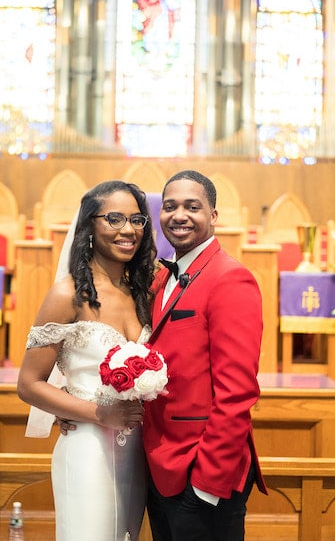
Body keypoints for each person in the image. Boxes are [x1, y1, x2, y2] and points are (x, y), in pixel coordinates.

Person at [17, 180, 157, 541]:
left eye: (137, 219)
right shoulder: (68, 294)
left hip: (137, 452)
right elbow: (29, 384)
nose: (128, 230)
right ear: (89, 226)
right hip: (87, 447)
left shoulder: (142, 292)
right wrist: (97, 412)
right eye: (114, 218)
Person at [142, 170, 268, 541]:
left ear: (214, 215)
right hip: (161, 466)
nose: (179, 215)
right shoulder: (162, 279)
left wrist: (207, 484)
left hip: (203, 471)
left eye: (192, 207)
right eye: (170, 206)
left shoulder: (230, 278)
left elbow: (238, 392)